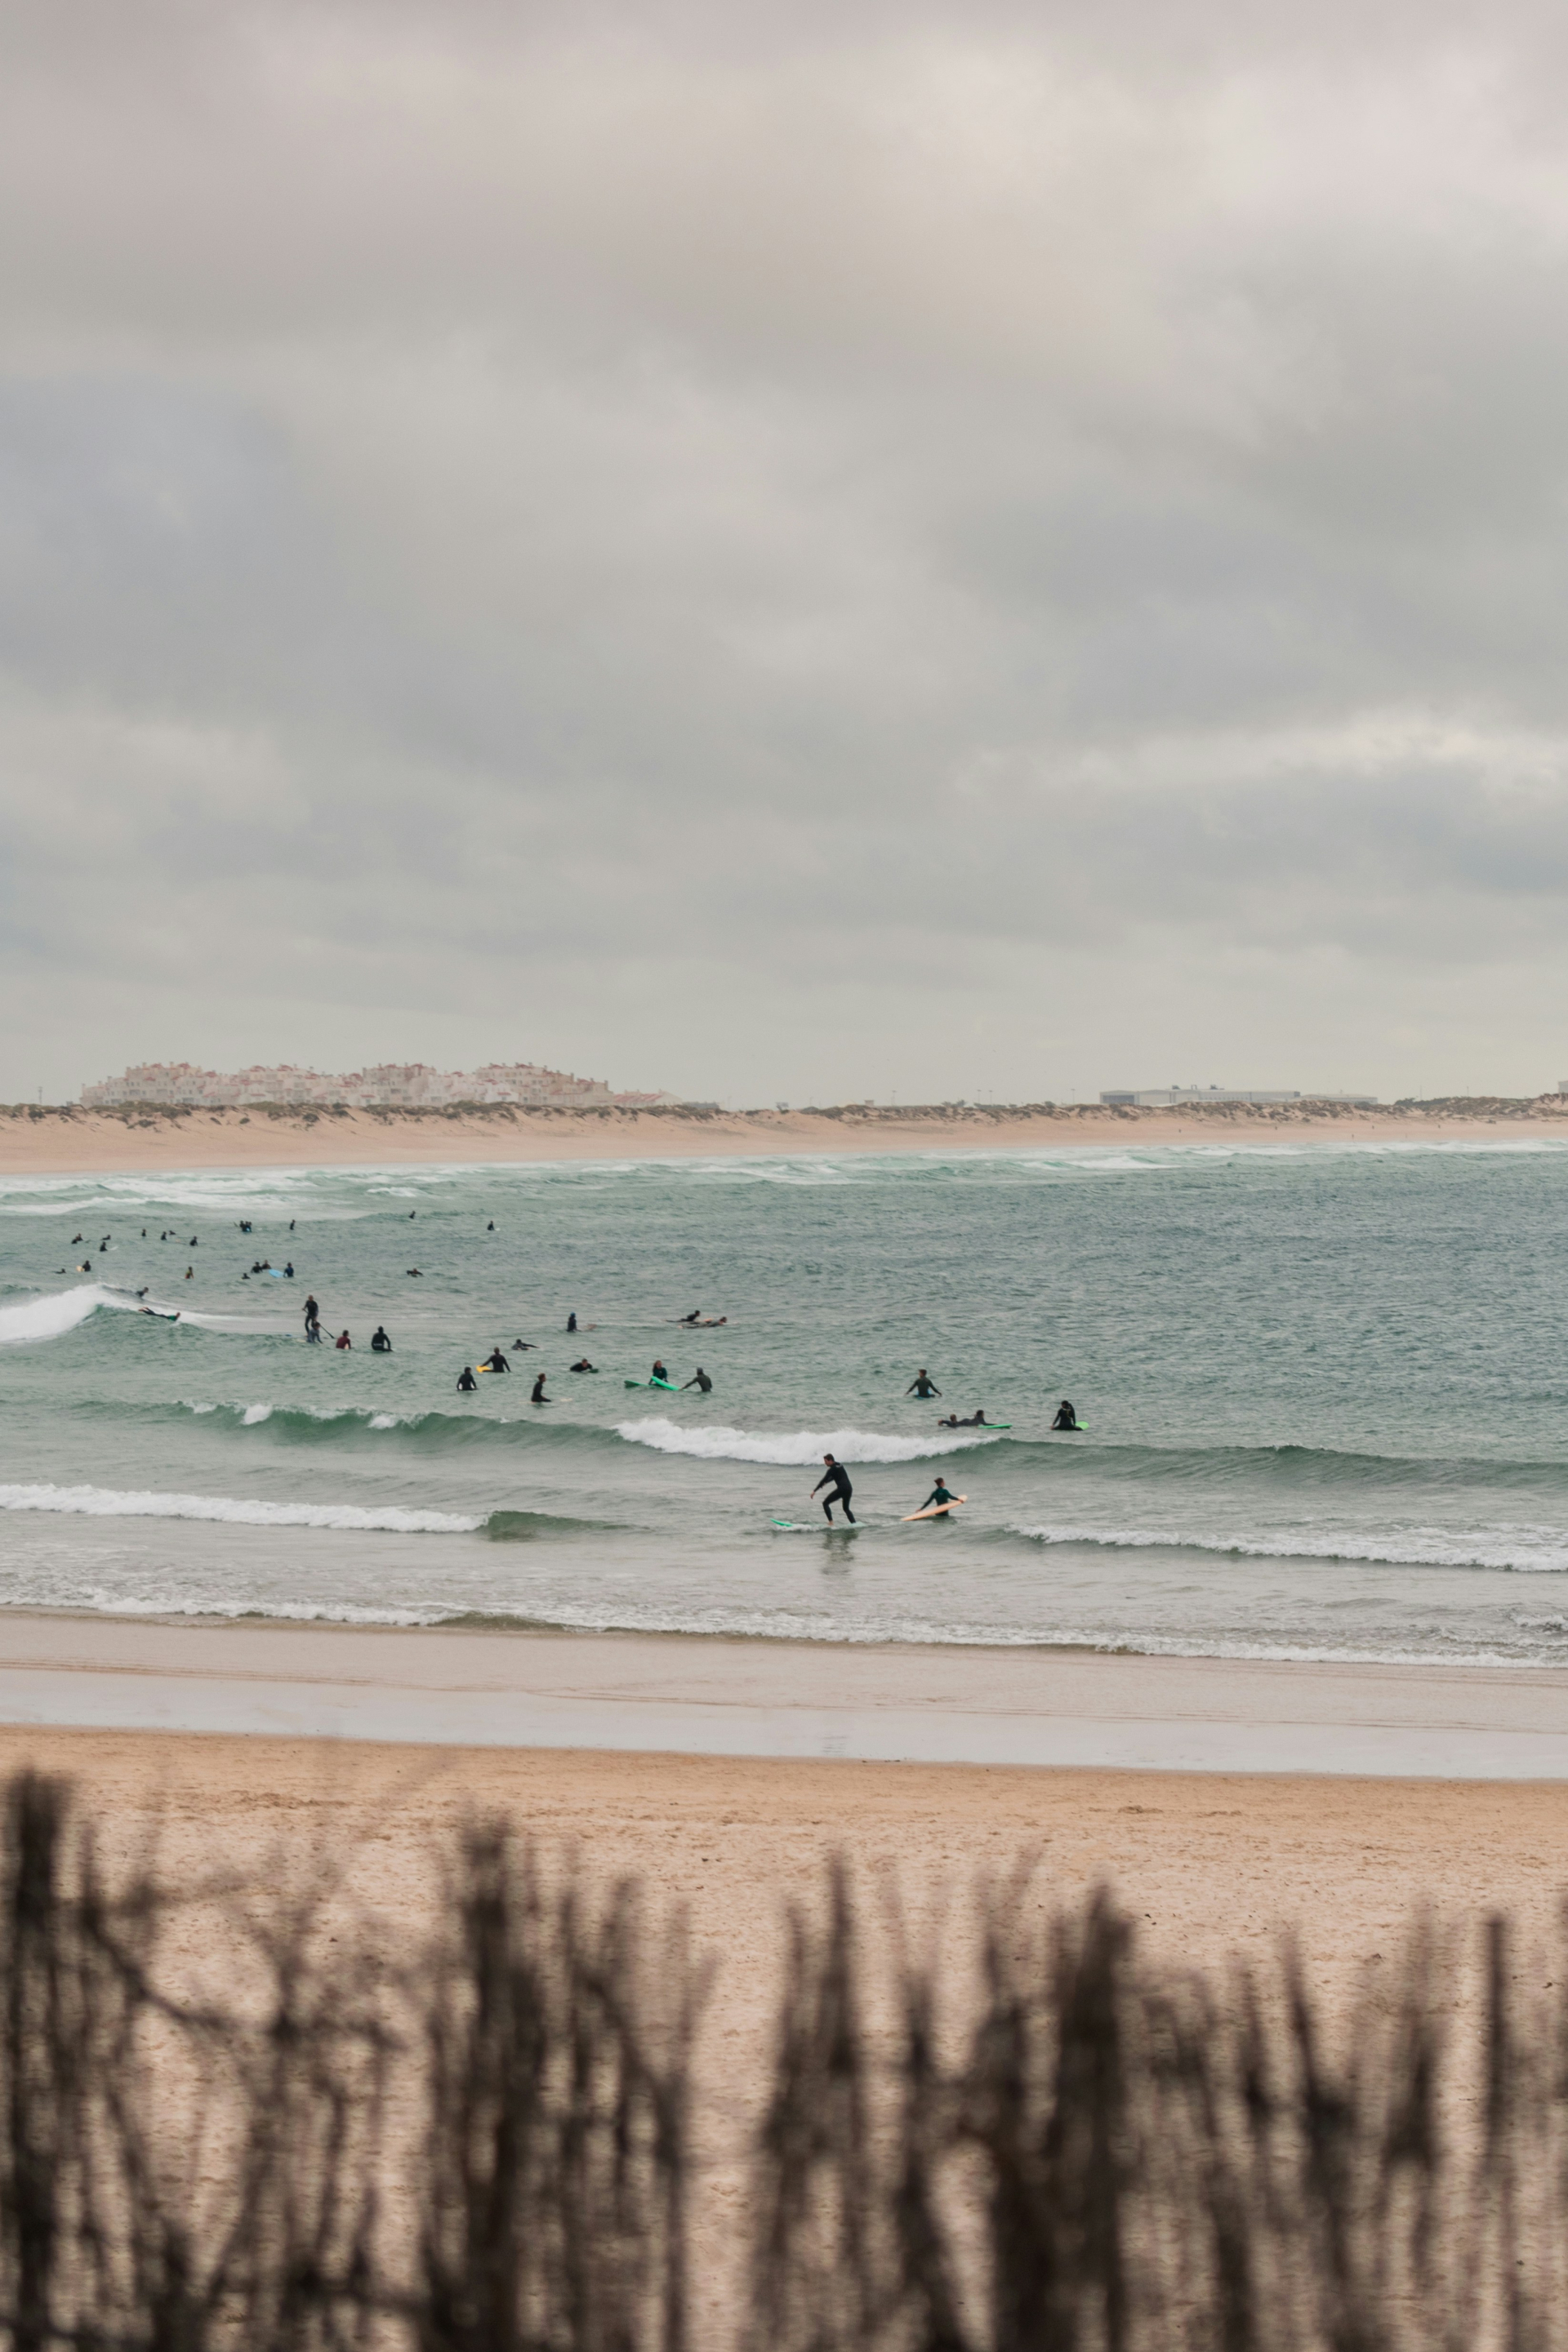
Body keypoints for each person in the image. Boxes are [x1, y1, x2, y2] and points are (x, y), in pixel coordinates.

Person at [811, 1454, 855, 1525]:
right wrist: (826, 1482)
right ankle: (854, 1524)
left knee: (825, 1503)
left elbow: (823, 1480)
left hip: (842, 1489)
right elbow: (835, 1476)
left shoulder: (831, 1470)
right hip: (849, 1488)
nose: (825, 1463)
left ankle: (831, 1522)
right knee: (846, 1509)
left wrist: (814, 1491)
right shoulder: (840, 1465)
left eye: (826, 1461)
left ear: (830, 1460)